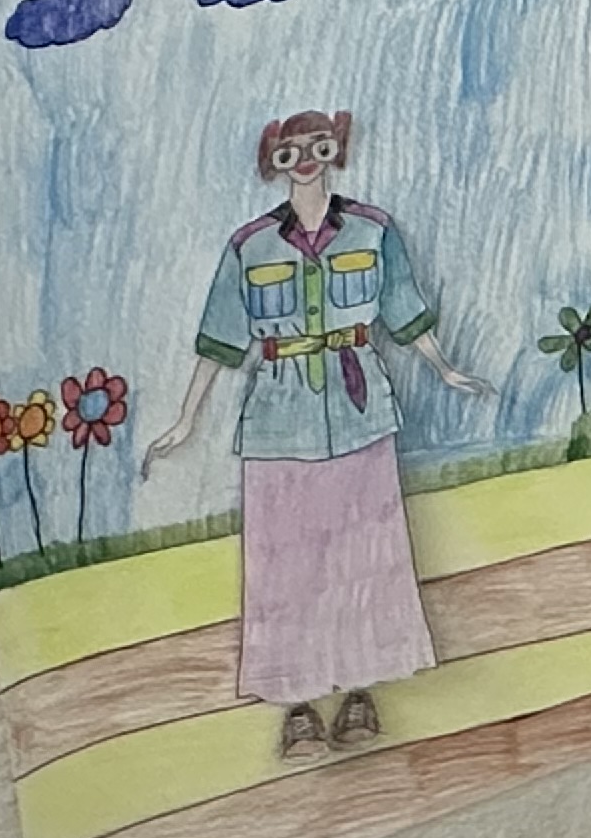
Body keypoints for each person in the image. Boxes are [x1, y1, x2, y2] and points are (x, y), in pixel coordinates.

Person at [140, 110, 492, 762]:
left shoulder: (374, 230)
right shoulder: (249, 246)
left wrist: (445, 368)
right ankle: (297, 705)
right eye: (290, 151)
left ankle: (361, 691)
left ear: (335, 151)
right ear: (274, 162)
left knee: (368, 556)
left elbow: (404, 312)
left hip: (363, 413)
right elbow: (219, 339)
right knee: (284, 565)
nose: (305, 160)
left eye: (317, 146)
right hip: (277, 421)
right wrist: (184, 420)